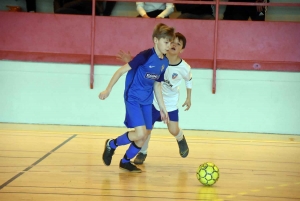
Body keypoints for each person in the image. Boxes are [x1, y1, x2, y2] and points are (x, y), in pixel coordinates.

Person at [99, 23, 175, 172]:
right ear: (155, 40)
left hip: (146, 101)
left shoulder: (164, 62)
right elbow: (121, 71)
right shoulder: (145, 56)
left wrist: (163, 109)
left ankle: (125, 161)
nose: (168, 46)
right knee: (139, 133)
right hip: (133, 98)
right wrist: (108, 89)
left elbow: (157, 85)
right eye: (166, 42)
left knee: (144, 135)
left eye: (170, 43)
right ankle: (111, 144)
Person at [117, 32, 192, 165]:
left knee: (173, 129)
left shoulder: (184, 68)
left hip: (170, 104)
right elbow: (142, 67)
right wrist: (130, 60)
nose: (173, 44)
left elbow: (188, 81)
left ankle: (180, 138)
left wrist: (188, 98)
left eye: (178, 44)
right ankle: (142, 153)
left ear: (182, 50)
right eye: (171, 42)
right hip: (153, 101)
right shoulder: (158, 58)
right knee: (146, 131)